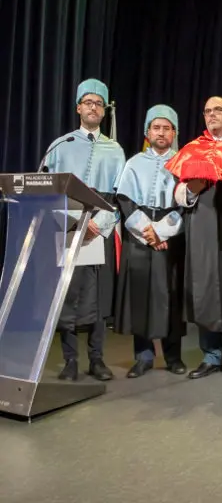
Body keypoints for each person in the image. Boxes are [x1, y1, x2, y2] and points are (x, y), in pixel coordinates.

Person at [43, 78, 125, 381]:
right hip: (67, 228)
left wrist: (97, 225)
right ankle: (69, 361)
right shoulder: (60, 145)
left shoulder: (114, 149)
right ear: (79, 107)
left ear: (104, 111)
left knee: (97, 299)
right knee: (67, 298)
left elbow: (118, 197)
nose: (93, 107)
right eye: (88, 102)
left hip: (99, 230)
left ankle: (97, 359)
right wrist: (75, 222)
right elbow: (48, 191)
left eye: (98, 104)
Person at [167, 97, 222, 380]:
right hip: (201, 225)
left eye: (218, 110)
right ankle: (211, 356)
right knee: (204, 288)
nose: (212, 115)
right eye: (207, 111)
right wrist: (192, 189)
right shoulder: (192, 148)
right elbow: (177, 194)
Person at [114, 105, 186, 378]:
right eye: (156, 127)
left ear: (174, 133)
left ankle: (173, 356)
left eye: (166, 128)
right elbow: (125, 201)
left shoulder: (183, 163)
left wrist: (162, 231)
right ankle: (143, 356)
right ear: (147, 132)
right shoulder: (133, 164)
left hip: (170, 236)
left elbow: (185, 206)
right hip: (140, 238)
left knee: (170, 294)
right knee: (140, 295)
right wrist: (147, 231)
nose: (161, 132)